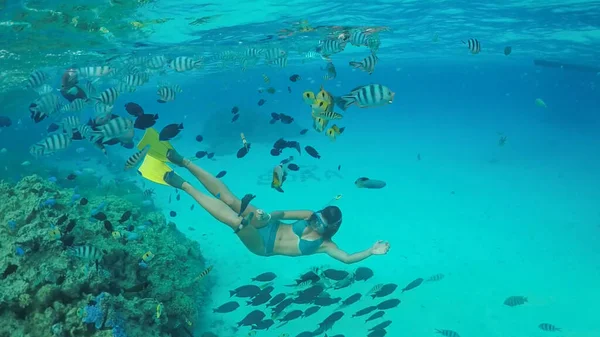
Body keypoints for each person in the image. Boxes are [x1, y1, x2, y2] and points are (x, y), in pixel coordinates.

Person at [136, 128, 390, 263]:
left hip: (262, 246)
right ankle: (181, 161)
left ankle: (180, 184)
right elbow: (280, 214)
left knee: (236, 221)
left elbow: (346, 259)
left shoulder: (325, 246)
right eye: (317, 216)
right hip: (267, 225)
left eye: (320, 223)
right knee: (233, 201)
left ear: (330, 228)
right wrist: (265, 216)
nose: (314, 221)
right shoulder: (308, 214)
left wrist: (370, 251)